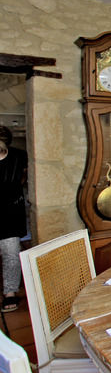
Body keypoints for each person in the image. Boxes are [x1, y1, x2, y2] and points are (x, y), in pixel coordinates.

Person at [0, 126, 26, 312]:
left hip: (10, 214)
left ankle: (10, 292)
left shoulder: (18, 156)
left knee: (11, 255)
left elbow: (23, 177)